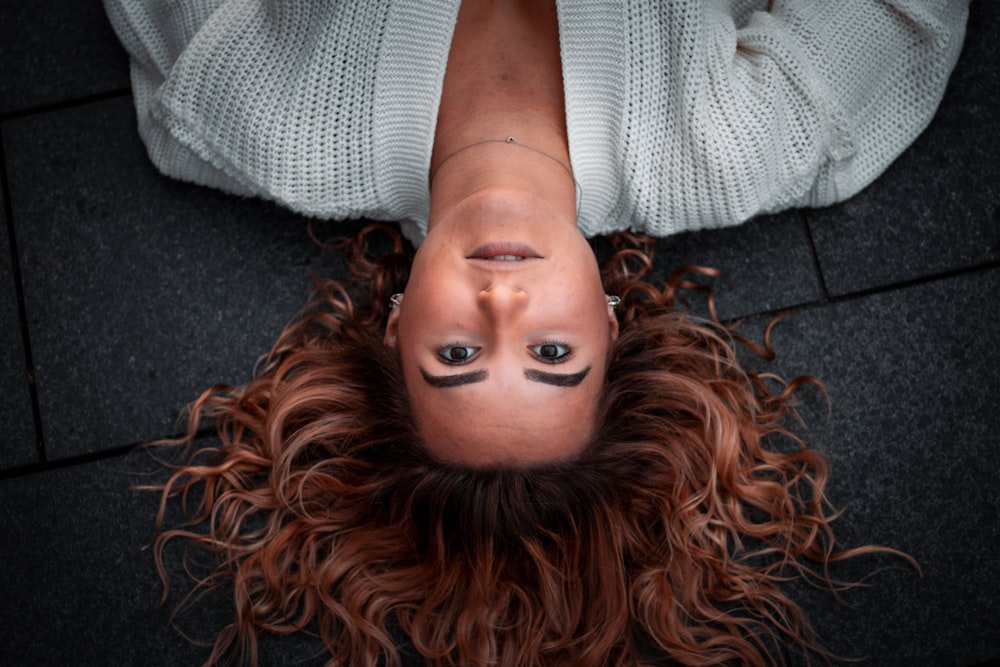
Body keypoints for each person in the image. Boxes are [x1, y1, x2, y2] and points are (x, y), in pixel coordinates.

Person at [105, 0, 969, 664]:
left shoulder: (267, 128)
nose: (503, 305)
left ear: (394, 327)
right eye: (552, 355)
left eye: (457, 355)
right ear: (614, 324)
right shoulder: (727, 148)